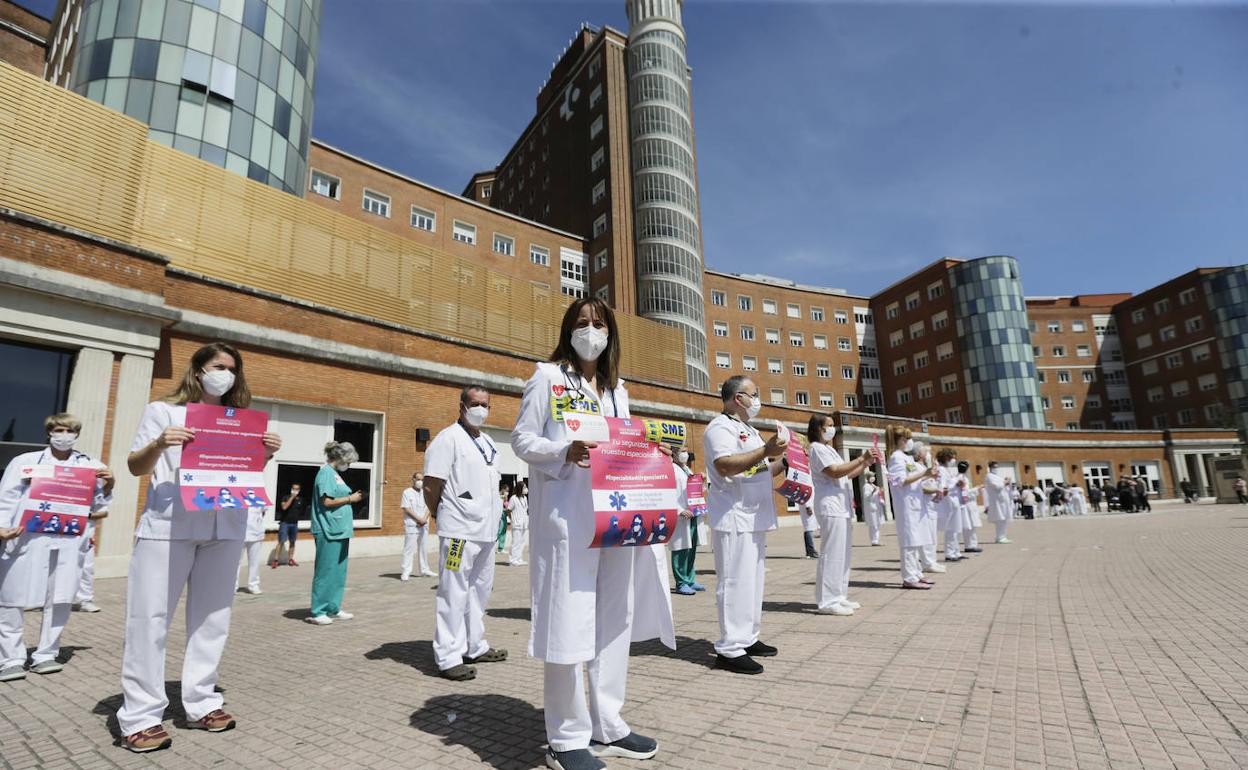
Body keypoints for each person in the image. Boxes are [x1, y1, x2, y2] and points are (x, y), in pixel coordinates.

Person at [512, 296, 674, 770]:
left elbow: (622, 445)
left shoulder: (616, 389)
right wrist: (566, 451)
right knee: (569, 621)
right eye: (582, 323)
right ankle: (566, 738)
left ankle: (608, 723)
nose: (590, 330)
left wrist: (651, 449)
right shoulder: (547, 377)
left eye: (598, 323)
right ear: (568, 329)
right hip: (568, 521)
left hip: (616, 519)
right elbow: (523, 439)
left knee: (613, 621)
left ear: (610, 333)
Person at [116, 342, 281, 752]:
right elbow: (136, 466)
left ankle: (201, 701)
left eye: (231, 368)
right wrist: (159, 443)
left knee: (213, 619)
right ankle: (140, 715)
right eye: (217, 365)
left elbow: (240, 474)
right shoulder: (163, 411)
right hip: (170, 526)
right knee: (149, 619)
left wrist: (263, 454)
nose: (223, 373)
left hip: (225, 527)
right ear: (198, 369)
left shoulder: (241, 420)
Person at [0, 414, 113, 682]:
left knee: (60, 596)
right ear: (49, 432)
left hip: (67, 539)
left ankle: (46, 655)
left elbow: (98, 507)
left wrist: (110, 484)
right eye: (59, 429)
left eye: (69, 430)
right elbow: (6, 496)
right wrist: (2, 526)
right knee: (10, 597)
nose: (64, 434)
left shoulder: (90, 466)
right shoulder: (25, 462)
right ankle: (10, 658)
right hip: (25, 536)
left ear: (77, 434)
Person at [704, 375, 787, 676]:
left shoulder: (749, 430)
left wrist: (787, 463)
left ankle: (747, 637)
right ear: (738, 398)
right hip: (734, 515)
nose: (758, 399)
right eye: (755, 394)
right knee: (735, 582)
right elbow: (725, 465)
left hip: (755, 516)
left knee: (753, 582)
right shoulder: (720, 428)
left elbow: (759, 469)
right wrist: (766, 451)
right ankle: (729, 647)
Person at [423, 385, 507, 681]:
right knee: (453, 591)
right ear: (462, 405)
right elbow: (432, 484)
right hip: (458, 532)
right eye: (475, 403)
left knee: (479, 592)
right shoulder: (448, 440)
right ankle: (448, 655)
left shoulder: (488, 441)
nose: (480, 409)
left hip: (485, 532)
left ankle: (475, 645)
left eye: (485, 404)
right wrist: (439, 514)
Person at [808, 415, 873, 615]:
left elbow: (847, 473)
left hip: (842, 506)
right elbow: (834, 472)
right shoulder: (816, 448)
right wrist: (861, 458)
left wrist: (865, 463)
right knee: (832, 554)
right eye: (829, 425)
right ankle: (827, 601)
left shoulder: (830, 450)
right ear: (819, 428)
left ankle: (839, 595)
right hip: (830, 505)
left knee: (843, 554)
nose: (832, 429)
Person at [307, 441, 361, 626]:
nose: (350, 465)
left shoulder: (335, 475)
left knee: (338, 572)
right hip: (327, 529)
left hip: (340, 530)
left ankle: (333, 607)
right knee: (325, 571)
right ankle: (318, 610)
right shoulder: (326, 473)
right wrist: (350, 498)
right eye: (349, 461)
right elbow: (327, 502)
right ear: (341, 458)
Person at [886, 425, 935, 590]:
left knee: (915, 540)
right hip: (906, 505)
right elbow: (901, 481)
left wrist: (926, 477)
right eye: (906, 439)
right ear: (899, 440)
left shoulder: (905, 457)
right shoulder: (896, 458)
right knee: (909, 542)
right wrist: (924, 474)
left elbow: (912, 479)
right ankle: (909, 577)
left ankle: (916, 573)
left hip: (914, 503)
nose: (909, 442)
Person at [668, 447, 703, 595]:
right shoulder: (670, 469)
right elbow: (667, 492)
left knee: (691, 548)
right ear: (674, 453)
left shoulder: (687, 469)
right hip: (681, 516)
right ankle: (681, 582)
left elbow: (695, 491)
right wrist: (679, 510)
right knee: (680, 549)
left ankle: (690, 579)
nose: (685, 454)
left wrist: (702, 480)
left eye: (687, 451)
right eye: (682, 451)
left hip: (693, 514)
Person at [912, 442, 946, 575]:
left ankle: (932, 560)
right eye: (925, 452)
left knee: (932, 535)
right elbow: (918, 486)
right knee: (926, 536)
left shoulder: (924, 466)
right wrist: (934, 490)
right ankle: (926, 562)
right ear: (920, 454)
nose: (927, 455)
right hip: (923, 506)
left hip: (931, 505)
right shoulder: (916, 467)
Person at [73, 494, 109, 613]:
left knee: (86, 567)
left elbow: (104, 512)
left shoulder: (96, 486)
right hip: (64, 528)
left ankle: (85, 600)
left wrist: (86, 514)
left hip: (86, 532)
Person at [400, 473, 435, 580]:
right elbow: (406, 508)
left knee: (423, 547)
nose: (420, 482)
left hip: (424, 524)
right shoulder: (407, 492)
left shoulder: (426, 492)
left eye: (422, 480)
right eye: (418, 479)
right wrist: (418, 519)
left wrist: (424, 518)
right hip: (412, 524)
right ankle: (406, 571)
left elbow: (429, 506)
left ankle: (425, 570)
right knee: (409, 548)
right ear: (413, 479)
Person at [934, 449, 963, 563]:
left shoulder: (947, 470)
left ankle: (955, 551)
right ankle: (950, 553)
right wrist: (956, 482)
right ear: (946, 458)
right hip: (947, 501)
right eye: (952, 457)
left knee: (955, 528)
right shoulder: (941, 469)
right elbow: (943, 486)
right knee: (950, 528)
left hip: (954, 501)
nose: (953, 460)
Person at [271, 482, 304, 567]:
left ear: (299, 490)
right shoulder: (285, 497)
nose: (295, 490)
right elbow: (284, 507)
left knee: (292, 542)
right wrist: (292, 497)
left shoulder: (300, 500)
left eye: (297, 489)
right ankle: (275, 560)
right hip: (285, 523)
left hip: (294, 524)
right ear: (291, 489)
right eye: (293, 488)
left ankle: (290, 559)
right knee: (281, 541)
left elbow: (301, 512)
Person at [235, 505, 265, 595]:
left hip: (256, 532)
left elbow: (263, 512)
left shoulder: (259, 496)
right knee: (236, 562)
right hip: (239, 533)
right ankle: (233, 586)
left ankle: (253, 585)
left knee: (254, 562)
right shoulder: (237, 495)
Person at [955, 461, 982, 554]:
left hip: (970, 503)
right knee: (969, 525)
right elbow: (965, 493)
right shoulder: (962, 479)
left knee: (972, 525)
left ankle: (972, 544)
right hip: (967, 504)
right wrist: (977, 489)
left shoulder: (963, 478)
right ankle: (970, 545)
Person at [983, 462, 1012, 544]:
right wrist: (1005, 482)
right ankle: (1000, 537)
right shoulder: (989, 476)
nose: (996, 468)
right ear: (990, 467)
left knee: (1004, 519)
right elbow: (997, 486)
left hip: (1003, 501)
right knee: (1000, 519)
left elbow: (1003, 487)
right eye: (994, 467)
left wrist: (1006, 482)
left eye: (997, 467)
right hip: (997, 501)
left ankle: (1003, 536)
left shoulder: (997, 476)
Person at [509, 480, 529, 566]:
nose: (526, 489)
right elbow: (509, 510)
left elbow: (526, 510)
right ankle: (513, 560)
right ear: (520, 488)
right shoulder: (513, 498)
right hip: (516, 523)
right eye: (524, 487)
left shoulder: (525, 498)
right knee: (516, 542)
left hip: (524, 523)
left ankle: (519, 558)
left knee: (522, 542)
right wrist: (512, 520)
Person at [861, 471, 885, 546]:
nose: (873, 478)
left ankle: (876, 540)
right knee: (873, 525)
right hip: (871, 507)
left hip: (876, 507)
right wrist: (874, 492)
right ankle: (874, 541)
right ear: (868, 478)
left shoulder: (873, 485)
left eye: (873, 476)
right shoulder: (866, 486)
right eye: (871, 476)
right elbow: (866, 496)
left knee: (877, 524)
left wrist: (879, 491)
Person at [497, 483, 511, 554]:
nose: (507, 492)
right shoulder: (500, 496)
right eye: (506, 491)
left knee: (503, 532)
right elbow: (499, 506)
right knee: (499, 531)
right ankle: (495, 547)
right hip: (500, 516)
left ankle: (501, 548)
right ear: (503, 490)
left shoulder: (505, 498)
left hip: (504, 516)